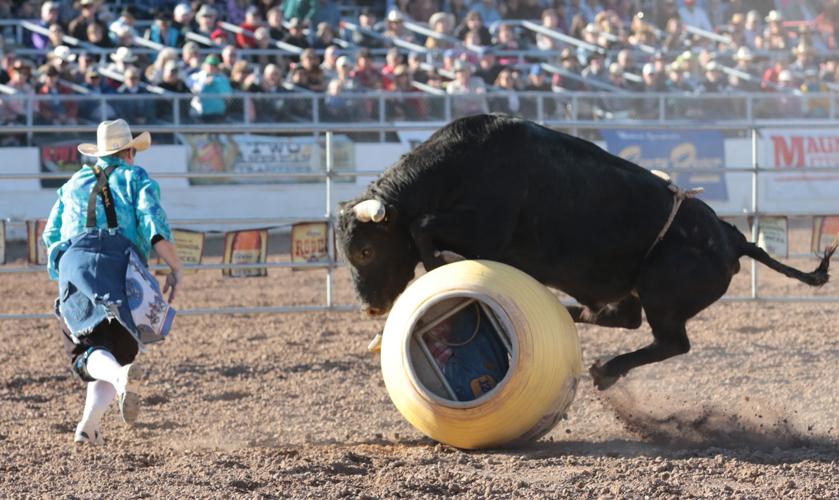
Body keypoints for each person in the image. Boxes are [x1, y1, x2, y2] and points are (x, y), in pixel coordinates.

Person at [42, 119, 183, 446]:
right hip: (122, 262)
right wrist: (176, 267)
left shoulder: (72, 183)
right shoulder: (136, 178)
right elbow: (154, 225)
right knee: (118, 349)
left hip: (75, 260)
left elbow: (50, 235)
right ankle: (97, 415)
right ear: (130, 151)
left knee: (88, 350)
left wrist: (64, 273)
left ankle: (90, 425)